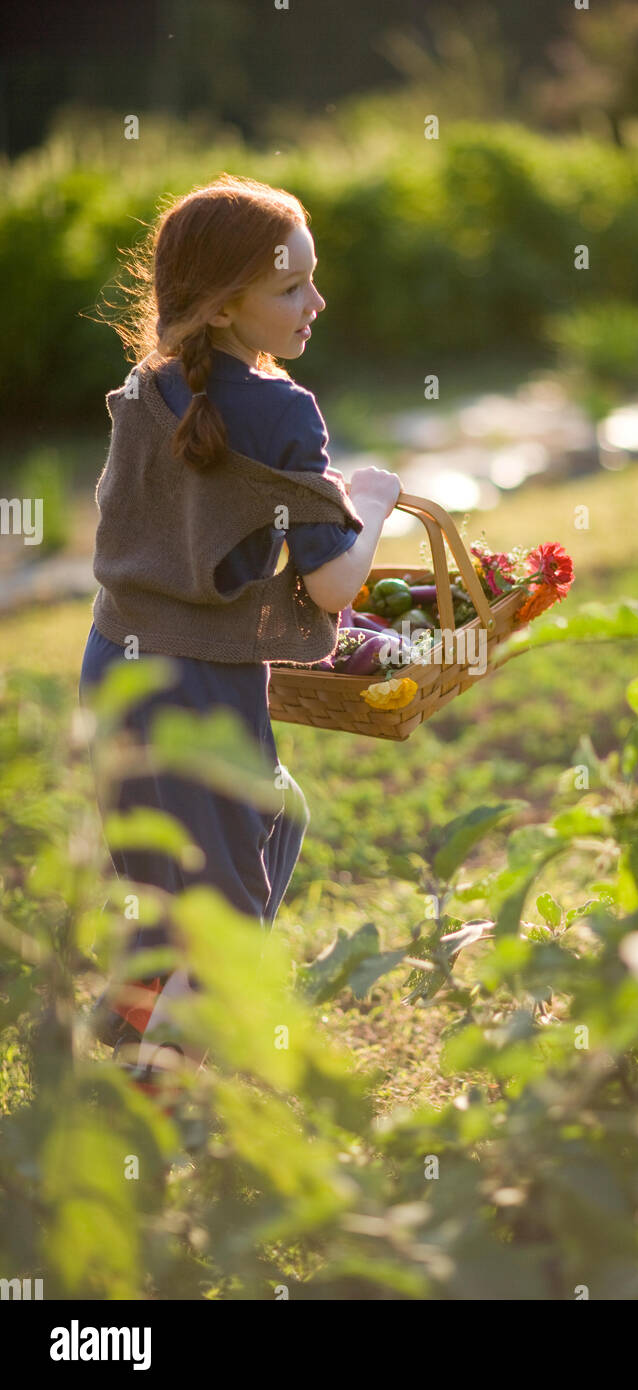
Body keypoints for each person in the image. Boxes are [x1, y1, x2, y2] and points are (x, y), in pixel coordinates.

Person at [80, 173, 401, 1100]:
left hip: (116, 672)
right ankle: (156, 1096)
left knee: (188, 857)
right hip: (200, 691)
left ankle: (140, 1005)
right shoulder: (283, 413)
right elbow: (337, 581)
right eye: (292, 287)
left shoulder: (146, 387)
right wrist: (369, 503)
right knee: (225, 915)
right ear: (226, 306)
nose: (317, 301)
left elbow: (186, 530)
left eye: (313, 278)